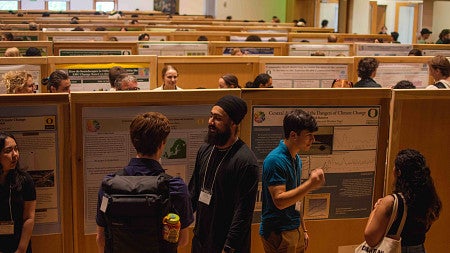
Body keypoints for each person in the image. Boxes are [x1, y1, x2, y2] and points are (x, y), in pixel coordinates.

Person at [96, 112, 194, 252]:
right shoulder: (175, 187)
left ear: (133, 142)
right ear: (162, 143)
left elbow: (100, 239)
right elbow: (183, 240)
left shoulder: (109, 186)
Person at [188, 95, 259, 253]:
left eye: (218, 118)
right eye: (211, 116)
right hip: (201, 241)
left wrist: (229, 247)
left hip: (227, 246)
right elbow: (193, 191)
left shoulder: (246, 161)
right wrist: (180, 219)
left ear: (233, 123)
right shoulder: (205, 149)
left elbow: (243, 212)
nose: (211, 122)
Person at [260, 109, 325, 253]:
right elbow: (280, 201)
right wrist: (310, 184)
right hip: (279, 232)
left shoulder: (296, 159)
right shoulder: (275, 160)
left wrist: (303, 228)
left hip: (294, 228)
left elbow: (297, 199)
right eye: (309, 135)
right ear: (293, 135)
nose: (313, 140)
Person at [363, 149, 441, 253]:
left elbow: (370, 238)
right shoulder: (428, 199)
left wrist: (376, 209)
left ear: (399, 172)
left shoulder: (391, 201)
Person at [0, 132, 36, 253]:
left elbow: (29, 218)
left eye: (16, 149)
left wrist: (21, 249)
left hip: (19, 244)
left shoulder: (25, 180)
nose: (15, 154)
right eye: (8, 150)